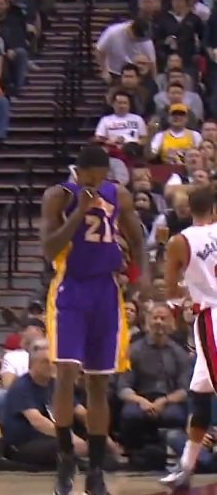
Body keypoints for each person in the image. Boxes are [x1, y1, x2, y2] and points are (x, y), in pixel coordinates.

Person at [40, 145, 146, 495]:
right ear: (79, 171)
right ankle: (65, 456)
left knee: (99, 384)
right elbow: (49, 248)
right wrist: (78, 214)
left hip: (106, 292)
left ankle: (96, 470)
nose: (96, 184)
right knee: (66, 374)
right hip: (70, 290)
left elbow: (137, 239)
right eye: (91, 178)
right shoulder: (59, 195)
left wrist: (142, 275)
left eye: (101, 179)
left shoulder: (119, 195)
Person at [159, 186, 217, 489]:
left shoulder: (180, 241)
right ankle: (186, 466)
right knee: (201, 398)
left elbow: (170, 289)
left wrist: (181, 299)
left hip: (211, 316)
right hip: (209, 314)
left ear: (187, 209)